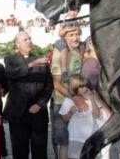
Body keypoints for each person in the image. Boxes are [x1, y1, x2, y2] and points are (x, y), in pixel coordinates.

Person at [4, 31, 54, 159]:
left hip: (38, 112)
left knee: (40, 150)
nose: (29, 41)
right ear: (17, 44)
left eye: (30, 38)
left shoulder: (42, 61)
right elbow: (11, 74)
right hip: (17, 113)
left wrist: (40, 104)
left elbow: (49, 86)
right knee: (19, 150)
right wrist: (32, 64)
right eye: (25, 39)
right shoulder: (10, 59)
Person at [51, 25, 85, 159]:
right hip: (62, 104)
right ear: (64, 38)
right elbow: (57, 84)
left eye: (77, 34)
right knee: (64, 143)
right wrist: (75, 98)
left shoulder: (79, 52)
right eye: (71, 35)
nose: (75, 37)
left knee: (78, 141)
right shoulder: (58, 54)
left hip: (78, 103)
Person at [59, 74, 111, 159]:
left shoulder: (93, 95)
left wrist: (92, 99)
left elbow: (96, 115)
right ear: (74, 88)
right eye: (81, 86)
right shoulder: (70, 99)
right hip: (75, 137)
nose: (85, 88)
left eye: (85, 85)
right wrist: (71, 113)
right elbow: (64, 117)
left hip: (91, 137)